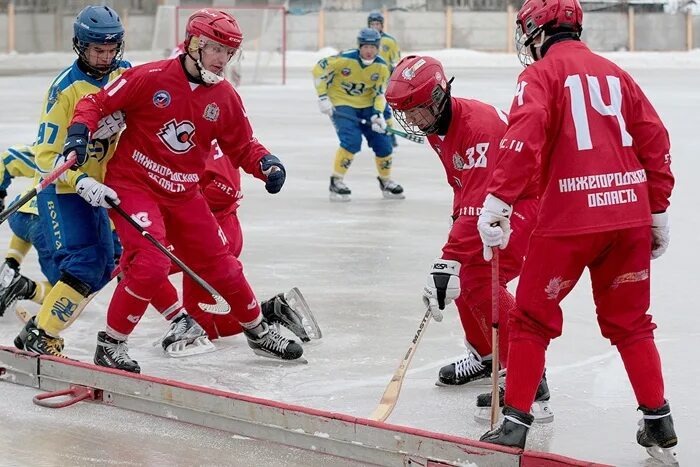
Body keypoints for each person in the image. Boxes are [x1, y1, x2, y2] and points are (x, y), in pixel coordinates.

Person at [477, 0, 677, 461]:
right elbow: (655, 139)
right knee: (632, 323)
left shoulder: (540, 75)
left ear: (536, 31)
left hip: (570, 218)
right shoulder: (615, 73)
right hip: (626, 215)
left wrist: (498, 200)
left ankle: (515, 424)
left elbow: (523, 137)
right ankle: (658, 420)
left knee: (530, 318)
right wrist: (657, 209)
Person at [63, 8, 304, 373]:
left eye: (229, 52)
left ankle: (257, 331)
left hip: (183, 192)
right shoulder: (150, 76)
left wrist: (266, 163)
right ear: (194, 44)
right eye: (216, 49)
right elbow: (96, 103)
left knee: (223, 266)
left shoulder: (224, 96)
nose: (222, 60)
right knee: (150, 261)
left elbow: (243, 145)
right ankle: (110, 344)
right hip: (134, 183)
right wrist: (79, 131)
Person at [385, 56, 544, 406]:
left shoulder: (478, 128)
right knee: (461, 278)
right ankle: (488, 359)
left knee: (479, 276)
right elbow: (465, 186)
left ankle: (529, 374)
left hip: (526, 201)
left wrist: (450, 257)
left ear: (439, 97)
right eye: (404, 113)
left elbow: (482, 197)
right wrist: (456, 237)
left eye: (416, 111)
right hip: (492, 204)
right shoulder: (436, 126)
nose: (411, 120)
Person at [14, 5, 129, 358]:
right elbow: (45, 155)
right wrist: (80, 181)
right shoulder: (64, 91)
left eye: (111, 50)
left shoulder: (125, 73)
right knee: (85, 264)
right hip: (66, 192)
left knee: (110, 262)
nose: (105, 58)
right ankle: (42, 333)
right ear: (80, 46)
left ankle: (37, 327)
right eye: (98, 51)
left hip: (106, 188)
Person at [312, 27, 403, 201]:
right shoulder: (343, 59)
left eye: (373, 47)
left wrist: (377, 114)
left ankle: (385, 180)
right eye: (365, 46)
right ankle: (336, 180)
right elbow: (318, 69)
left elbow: (378, 93)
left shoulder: (382, 67)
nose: (369, 51)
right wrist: (323, 97)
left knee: (383, 143)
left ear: (378, 47)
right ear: (359, 46)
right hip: (342, 103)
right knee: (351, 141)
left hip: (368, 105)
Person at [0, 144, 54, 317]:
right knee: (74, 286)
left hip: (19, 213)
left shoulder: (52, 143)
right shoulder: (105, 159)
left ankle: (10, 265)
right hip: (50, 226)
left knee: (29, 218)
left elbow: (7, 159)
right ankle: (25, 287)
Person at [367, 11, 401, 148]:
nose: (375, 26)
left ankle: (390, 134)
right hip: (368, 80)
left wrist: (394, 70)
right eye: (372, 24)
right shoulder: (364, 40)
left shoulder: (389, 41)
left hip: (384, 80)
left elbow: (396, 60)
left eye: (377, 24)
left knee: (385, 107)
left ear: (382, 25)